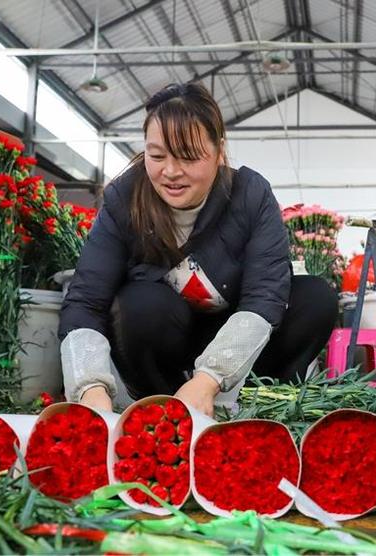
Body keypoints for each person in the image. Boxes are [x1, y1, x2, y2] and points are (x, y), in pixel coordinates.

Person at [58, 83, 338, 416]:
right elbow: (85, 301)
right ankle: (156, 406)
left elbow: (265, 296)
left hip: (233, 340)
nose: (171, 172)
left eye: (189, 157)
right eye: (157, 155)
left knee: (315, 297)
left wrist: (209, 379)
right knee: (139, 304)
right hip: (165, 337)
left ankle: (254, 404)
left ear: (219, 151)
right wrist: (90, 388)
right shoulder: (125, 198)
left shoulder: (251, 195)